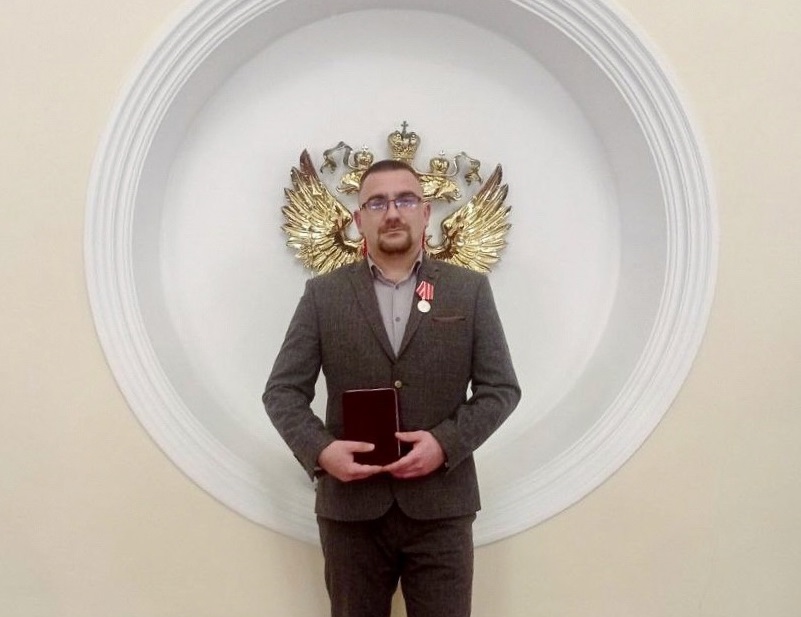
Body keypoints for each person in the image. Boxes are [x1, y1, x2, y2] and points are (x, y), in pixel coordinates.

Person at [263, 159, 520, 617]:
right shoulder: (323, 295)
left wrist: (445, 444)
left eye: (405, 200)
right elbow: (282, 391)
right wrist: (322, 452)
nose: (393, 213)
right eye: (377, 203)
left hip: (442, 509)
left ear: (426, 212)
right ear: (359, 218)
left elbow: (500, 388)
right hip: (350, 513)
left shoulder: (469, 291)